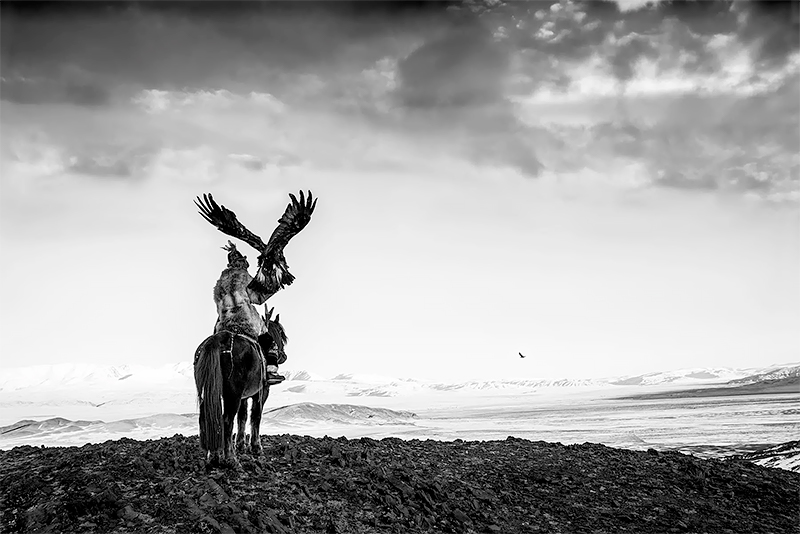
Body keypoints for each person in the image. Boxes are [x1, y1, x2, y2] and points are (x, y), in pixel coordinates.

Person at [213, 241, 285, 384]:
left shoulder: (219, 283)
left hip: (224, 323)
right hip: (245, 320)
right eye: (244, 262)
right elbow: (258, 297)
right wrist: (275, 285)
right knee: (269, 342)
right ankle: (271, 372)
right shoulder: (243, 276)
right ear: (241, 263)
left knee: (215, 338)